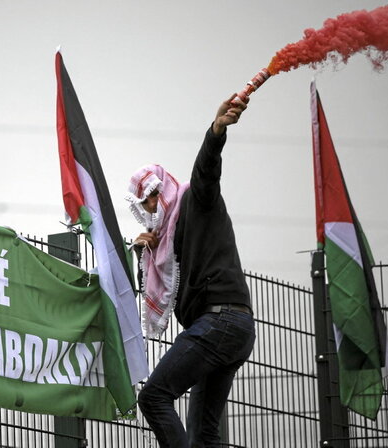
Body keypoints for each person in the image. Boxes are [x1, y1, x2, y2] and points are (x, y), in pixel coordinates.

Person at [128, 95, 256, 447]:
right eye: (145, 202)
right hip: (232, 328)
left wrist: (215, 131)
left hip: (221, 322)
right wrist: (141, 252)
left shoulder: (195, 200)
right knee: (203, 434)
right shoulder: (164, 243)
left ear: (165, 185)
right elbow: (156, 286)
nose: (153, 204)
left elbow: (206, 170)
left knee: (153, 397)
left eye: (154, 194)